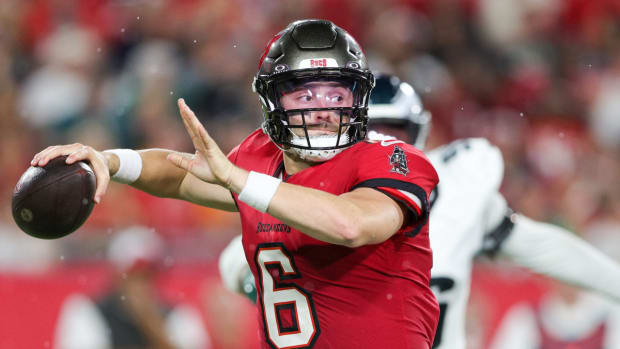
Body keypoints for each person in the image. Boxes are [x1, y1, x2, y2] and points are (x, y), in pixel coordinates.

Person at [32, 20, 440, 348]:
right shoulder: (260, 156)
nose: (321, 111)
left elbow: (352, 225)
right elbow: (180, 172)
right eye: (304, 96)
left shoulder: (391, 157)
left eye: (336, 95)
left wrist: (242, 181)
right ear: (272, 101)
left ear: (358, 97)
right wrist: (109, 160)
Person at [218, 74, 620, 349]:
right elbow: (237, 264)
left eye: (396, 134)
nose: (385, 146)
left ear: (421, 136)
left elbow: (540, 246)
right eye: (372, 133)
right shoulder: (316, 207)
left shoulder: (458, 189)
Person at [54, 226, 209, 349]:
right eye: (134, 276)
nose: (142, 286)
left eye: (148, 276)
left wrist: (152, 325)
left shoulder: (179, 315)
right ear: (116, 278)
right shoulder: (88, 310)